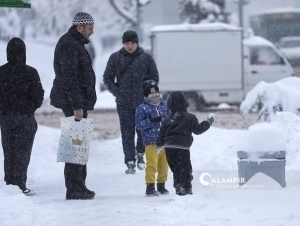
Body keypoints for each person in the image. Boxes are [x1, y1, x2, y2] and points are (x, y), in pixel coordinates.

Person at [50, 12, 97, 200]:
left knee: (79, 142)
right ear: (80, 27)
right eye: (90, 29)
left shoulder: (74, 43)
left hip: (77, 101)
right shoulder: (69, 45)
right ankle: (74, 187)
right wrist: (77, 106)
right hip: (73, 103)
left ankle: (79, 184)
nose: (92, 32)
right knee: (75, 144)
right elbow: (69, 78)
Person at [103, 30, 159, 174]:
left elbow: (154, 77)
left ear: (137, 43)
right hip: (123, 102)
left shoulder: (146, 58)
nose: (130, 46)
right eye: (127, 43)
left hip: (143, 103)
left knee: (143, 130)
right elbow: (108, 78)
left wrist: (147, 92)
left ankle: (140, 154)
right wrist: (118, 91)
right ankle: (129, 160)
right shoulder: (115, 58)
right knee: (127, 132)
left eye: (132, 43)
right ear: (123, 43)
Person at [0, 37, 44, 196]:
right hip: (25, 117)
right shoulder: (31, 72)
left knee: (9, 150)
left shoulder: (1, 72)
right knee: (22, 152)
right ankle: (19, 183)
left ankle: (9, 182)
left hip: (5, 118)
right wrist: (30, 107)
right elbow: (39, 96)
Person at [156, 91, 215, 196]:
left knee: (176, 170)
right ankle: (186, 188)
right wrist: (208, 122)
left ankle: (178, 186)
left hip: (169, 149)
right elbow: (198, 130)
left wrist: (159, 145)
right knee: (186, 169)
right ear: (185, 103)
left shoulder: (167, 119)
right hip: (183, 148)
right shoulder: (190, 117)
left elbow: (162, 133)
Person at [135, 80, 170, 197]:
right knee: (152, 165)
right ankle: (150, 186)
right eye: (151, 93)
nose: (154, 95)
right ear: (146, 95)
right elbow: (139, 125)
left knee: (164, 165)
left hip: (165, 141)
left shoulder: (165, 105)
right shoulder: (142, 108)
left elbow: (171, 118)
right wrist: (151, 121)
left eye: (156, 92)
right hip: (151, 142)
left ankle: (161, 185)